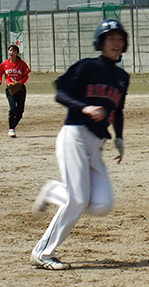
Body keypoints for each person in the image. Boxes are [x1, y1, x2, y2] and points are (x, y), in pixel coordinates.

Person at [30, 18, 130, 270]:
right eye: (111, 39)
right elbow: (60, 93)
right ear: (101, 42)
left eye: (120, 39)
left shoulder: (121, 77)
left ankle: (54, 191)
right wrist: (84, 107)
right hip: (74, 134)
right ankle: (43, 253)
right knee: (77, 200)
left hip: (97, 143)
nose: (116, 43)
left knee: (102, 204)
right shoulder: (87, 67)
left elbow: (117, 111)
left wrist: (118, 137)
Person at [0, 44, 30, 138]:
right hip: (10, 89)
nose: (12, 52)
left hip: (20, 89)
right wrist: (0, 80)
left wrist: (20, 83)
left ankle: (13, 127)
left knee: (20, 111)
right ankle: (11, 128)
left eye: (14, 51)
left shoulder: (21, 63)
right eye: (10, 50)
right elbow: (0, 72)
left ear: (17, 53)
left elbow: (26, 75)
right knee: (12, 108)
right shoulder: (5, 63)